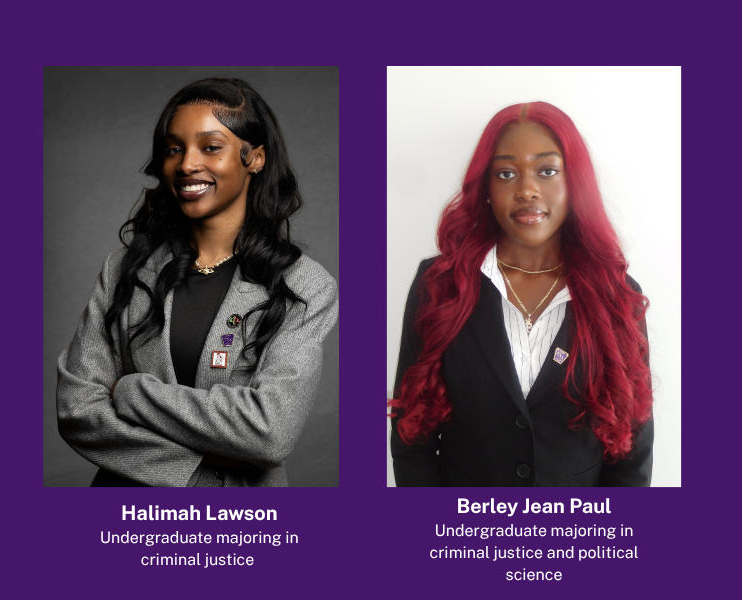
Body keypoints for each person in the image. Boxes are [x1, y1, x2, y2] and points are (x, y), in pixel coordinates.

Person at [57, 78, 338, 487]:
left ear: (254, 158)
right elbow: (77, 409)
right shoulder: (123, 270)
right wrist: (208, 461)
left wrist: (131, 392)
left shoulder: (304, 285)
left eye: (210, 147)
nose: (187, 164)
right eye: (174, 149)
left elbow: (269, 432)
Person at [389, 102, 653, 487]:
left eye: (547, 171)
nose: (527, 189)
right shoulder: (440, 285)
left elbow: (631, 454)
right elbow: (413, 437)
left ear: (574, 182)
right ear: (486, 188)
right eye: (506, 173)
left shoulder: (616, 296)